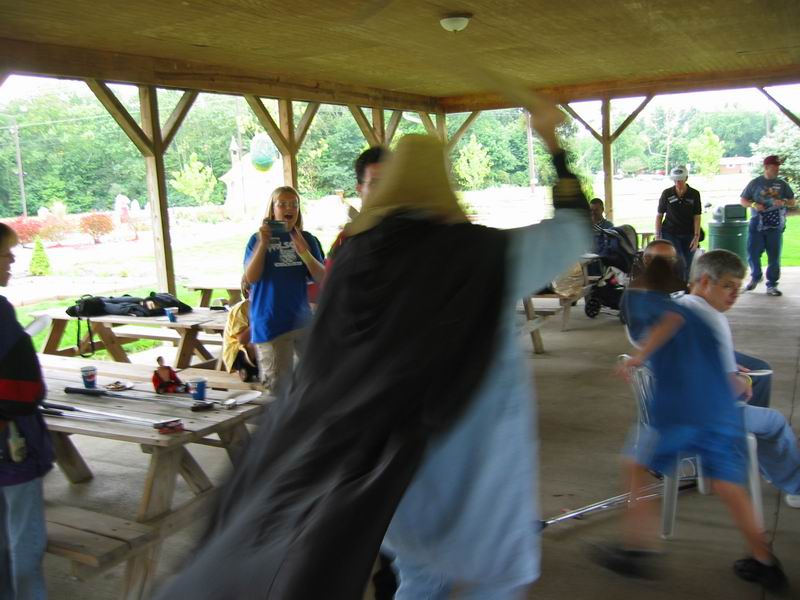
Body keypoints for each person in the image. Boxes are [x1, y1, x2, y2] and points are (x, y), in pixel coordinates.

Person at [155, 93, 591, 600]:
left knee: (420, 576)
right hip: (475, 463)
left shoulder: (354, 258)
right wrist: (552, 142)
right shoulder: (488, 255)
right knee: (498, 578)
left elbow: (326, 362)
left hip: (388, 465)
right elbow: (572, 231)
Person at [603, 250, 787, 593]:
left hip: (681, 413)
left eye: (736, 287)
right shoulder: (711, 318)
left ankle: (637, 550)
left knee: (635, 466)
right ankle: (765, 562)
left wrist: (638, 357)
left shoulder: (667, 305)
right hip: (719, 415)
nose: (734, 295)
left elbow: (669, 322)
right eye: (728, 286)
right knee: (728, 486)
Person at [0, 222, 53, 600]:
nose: (12, 261)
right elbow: (27, 389)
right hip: (11, 447)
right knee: (25, 541)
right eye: (6, 254)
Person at [243, 185, 325, 394]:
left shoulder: (307, 238)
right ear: (272, 209)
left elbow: (321, 277)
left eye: (294, 204)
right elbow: (251, 278)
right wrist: (263, 244)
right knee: (279, 392)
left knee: (315, 384)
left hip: (301, 321)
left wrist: (304, 252)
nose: (289, 208)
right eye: (282, 204)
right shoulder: (256, 239)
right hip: (271, 324)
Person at [740, 155, 796, 296]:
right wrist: (754, 204)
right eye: (774, 167)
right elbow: (743, 200)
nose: (777, 169)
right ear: (766, 167)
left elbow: (792, 201)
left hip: (775, 225)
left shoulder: (782, 184)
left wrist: (783, 202)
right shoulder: (755, 183)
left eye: (778, 167)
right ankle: (756, 276)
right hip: (757, 224)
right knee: (752, 253)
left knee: (774, 256)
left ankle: (772, 284)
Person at [327, 145, 388, 261]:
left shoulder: (410, 235)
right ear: (359, 188)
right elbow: (328, 271)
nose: (383, 190)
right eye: (374, 184)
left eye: (388, 183)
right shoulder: (345, 241)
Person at [655, 165, 702, 280]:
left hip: (689, 233)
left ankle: (683, 286)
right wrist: (657, 235)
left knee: (688, 264)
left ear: (686, 178)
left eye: (680, 180)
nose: (678, 183)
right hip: (670, 232)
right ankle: (677, 286)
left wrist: (696, 236)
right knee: (680, 261)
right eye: (675, 180)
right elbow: (659, 215)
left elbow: (697, 216)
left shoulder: (694, 194)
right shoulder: (667, 193)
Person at [222, 277, 258, 382]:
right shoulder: (242, 308)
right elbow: (242, 339)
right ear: (248, 289)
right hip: (237, 352)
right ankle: (244, 367)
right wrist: (260, 321)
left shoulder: (266, 307)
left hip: (256, 354)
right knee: (259, 342)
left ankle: (254, 370)